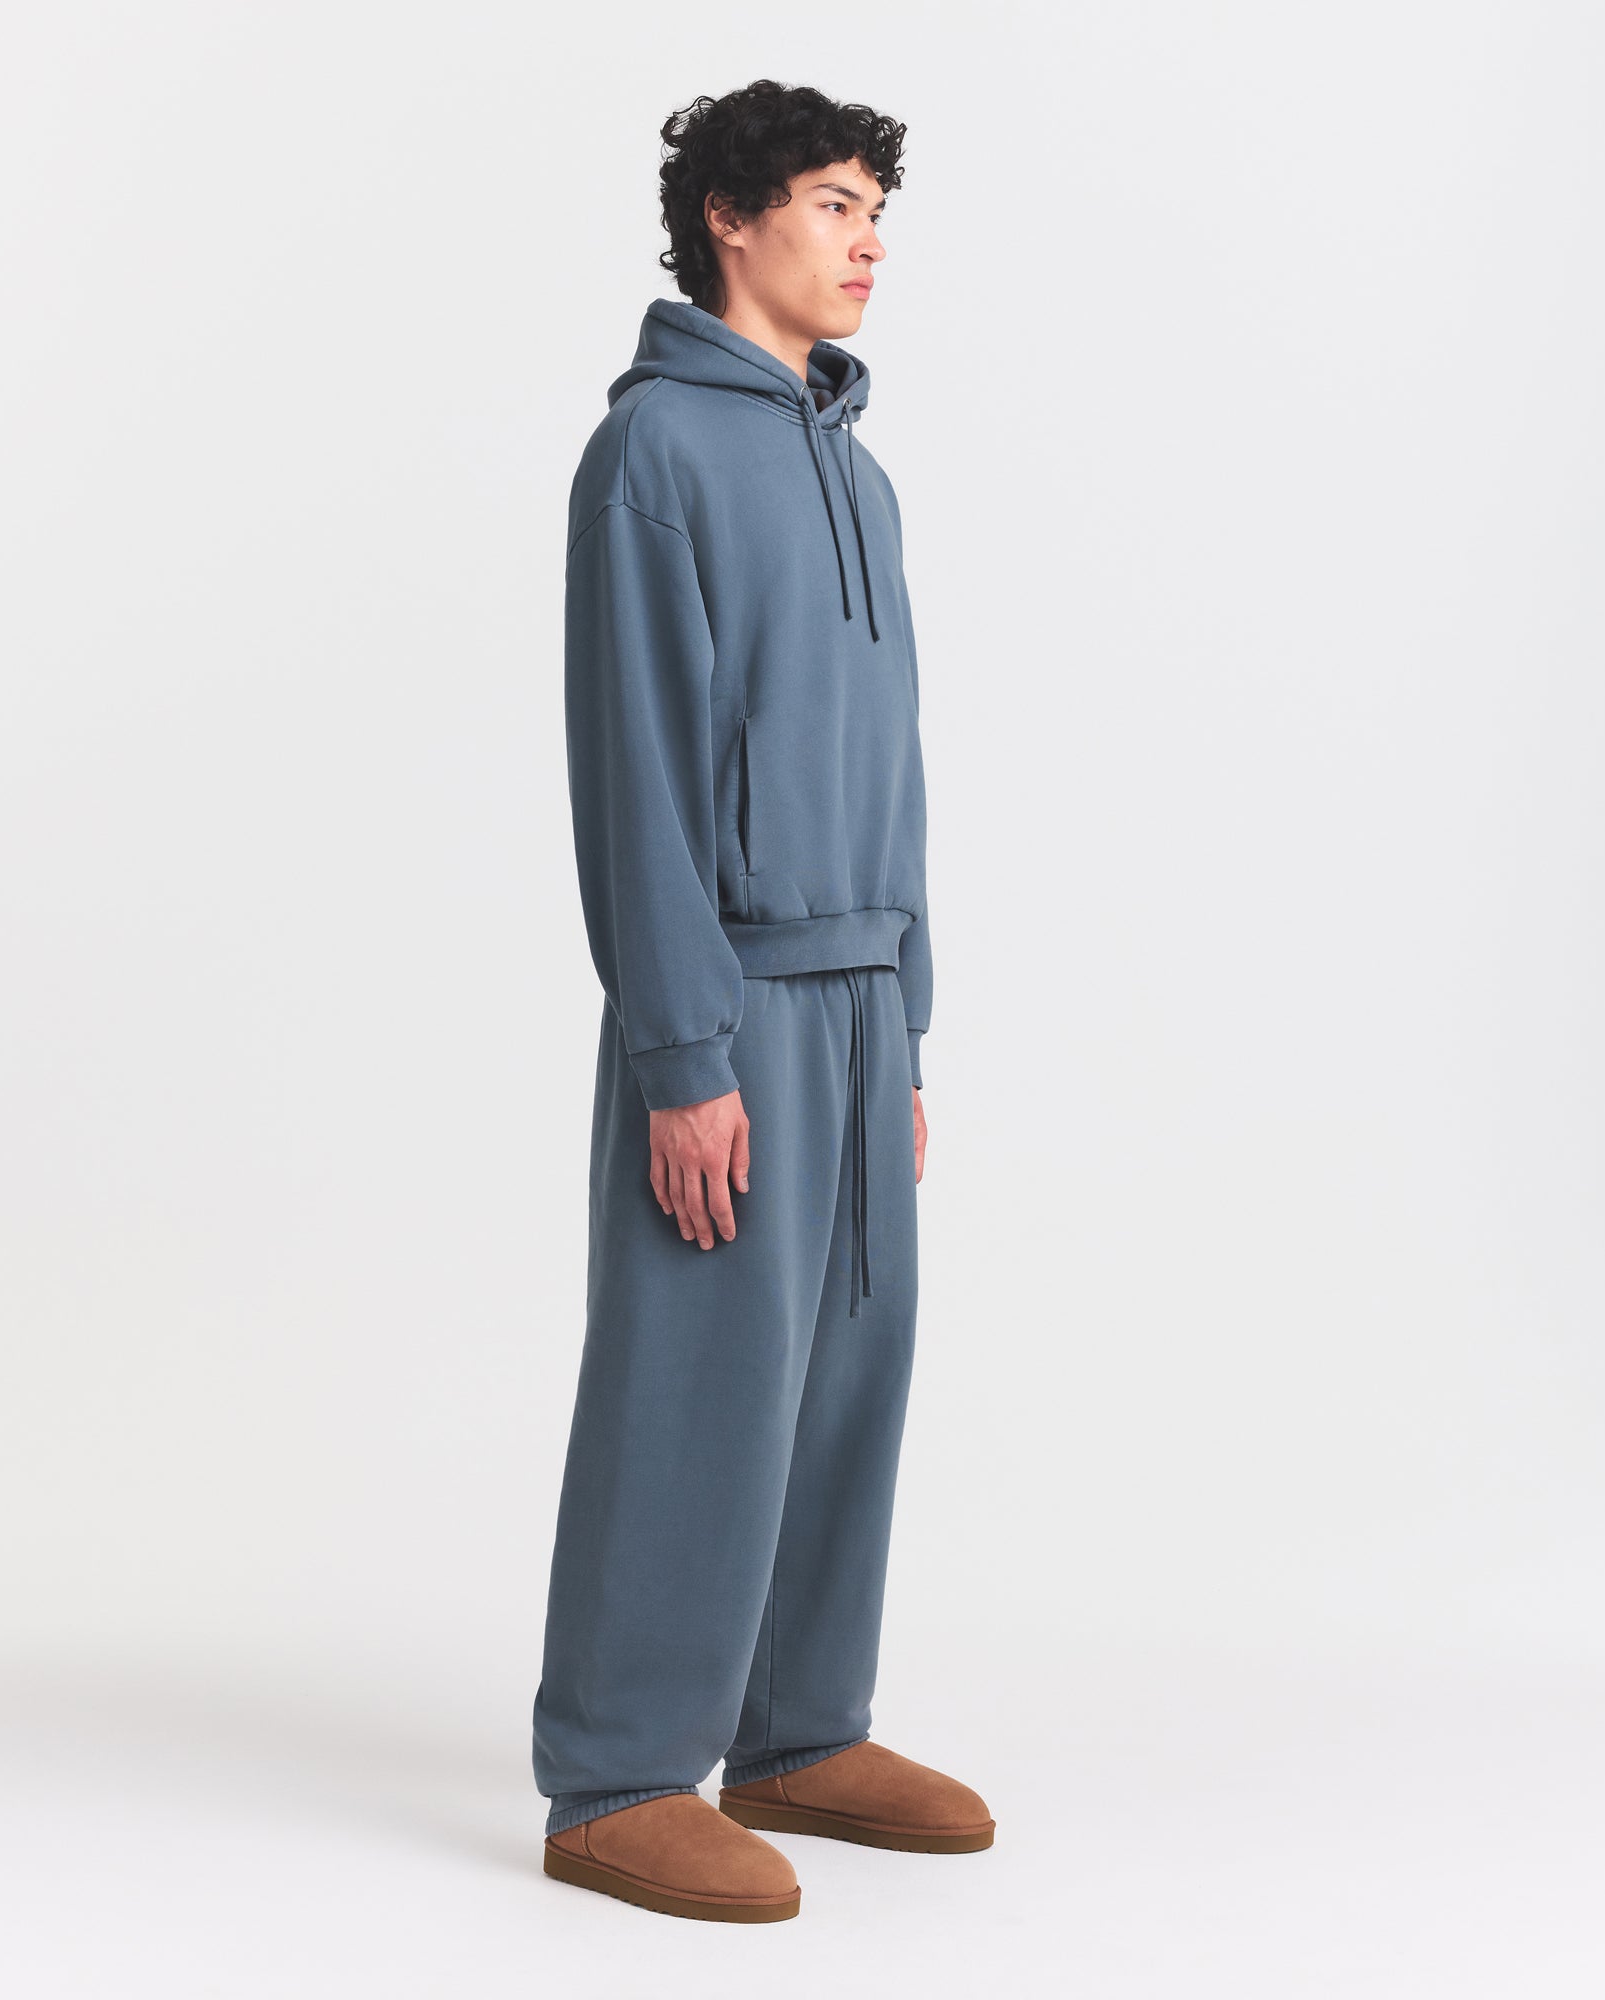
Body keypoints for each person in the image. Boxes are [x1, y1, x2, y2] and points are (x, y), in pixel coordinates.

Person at [530, 79, 992, 1924]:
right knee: (696, 1373)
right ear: (731, 217)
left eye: (878, 208)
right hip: (729, 997)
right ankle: (618, 1774)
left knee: (850, 1368)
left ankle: (799, 1732)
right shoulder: (654, 453)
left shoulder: (859, 476)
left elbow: (897, 761)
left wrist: (910, 1023)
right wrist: (681, 1048)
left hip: (863, 997)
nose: (868, 239)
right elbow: (637, 769)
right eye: (831, 201)